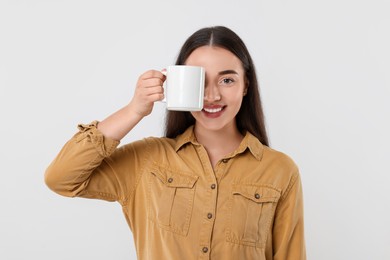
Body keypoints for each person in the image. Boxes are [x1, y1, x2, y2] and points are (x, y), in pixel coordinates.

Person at [45, 26, 306, 260]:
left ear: (246, 85)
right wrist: (134, 110)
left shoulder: (280, 170)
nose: (212, 95)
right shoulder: (147, 161)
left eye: (227, 80)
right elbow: (61, 178)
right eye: (199, 81)